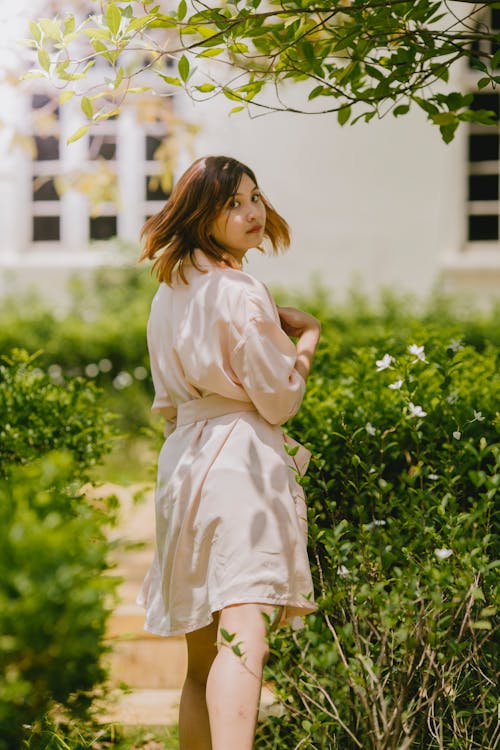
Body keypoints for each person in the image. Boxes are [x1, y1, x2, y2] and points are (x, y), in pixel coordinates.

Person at [137, 155, 321, 750]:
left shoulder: (170, 293)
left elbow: (168, 400)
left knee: (202, 658)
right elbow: (279, 400)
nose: (252, 213)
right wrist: (308, 338)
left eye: (255, 197)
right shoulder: (239, 290)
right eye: (232, 203)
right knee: (244, 638)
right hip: (239, 462)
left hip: (184, 463)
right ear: (201, 216)